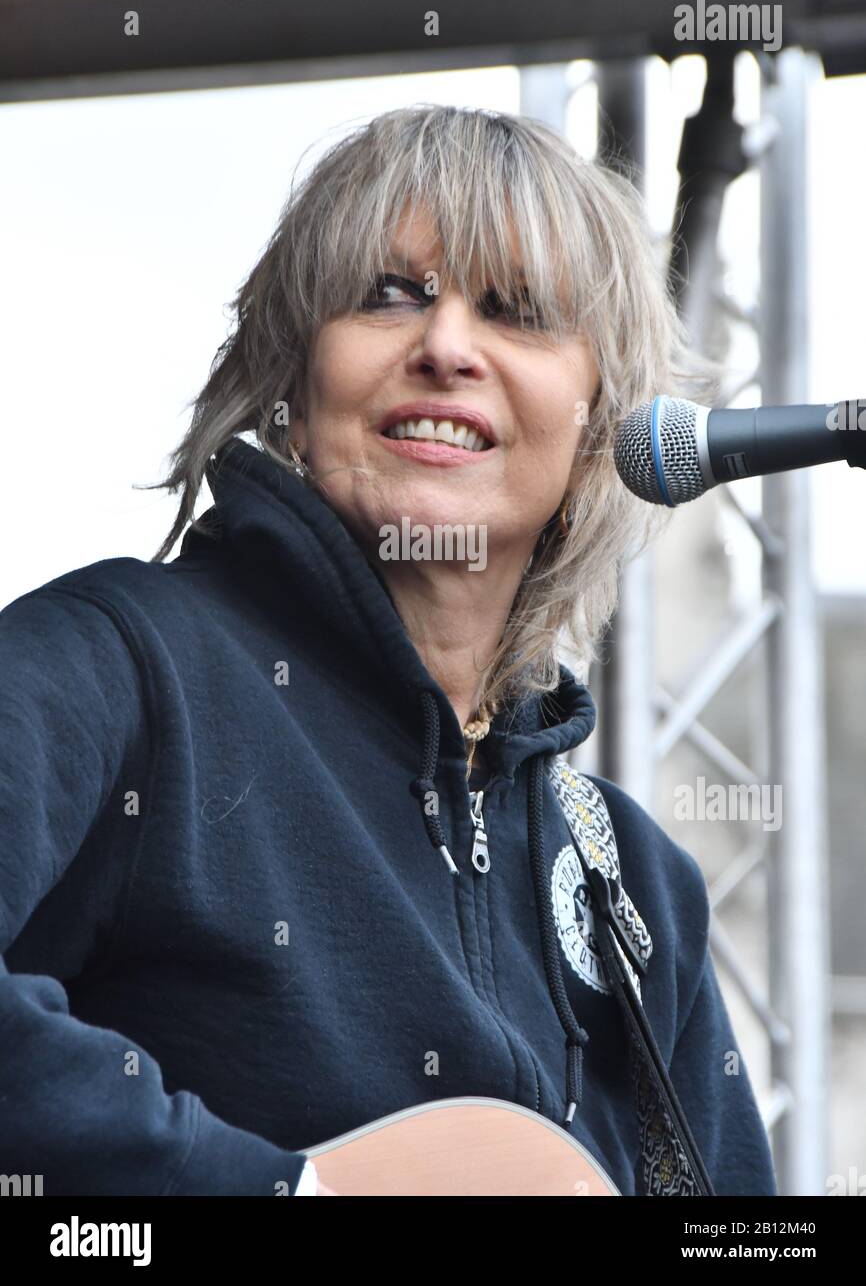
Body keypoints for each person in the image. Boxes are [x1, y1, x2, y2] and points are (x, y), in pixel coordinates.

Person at [0, 104, 776, 1196]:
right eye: (389, 293)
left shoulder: (635, 884)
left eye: (515, 311)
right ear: (291, 383)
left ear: (595, 419)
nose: (446, 347)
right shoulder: (122, 667)